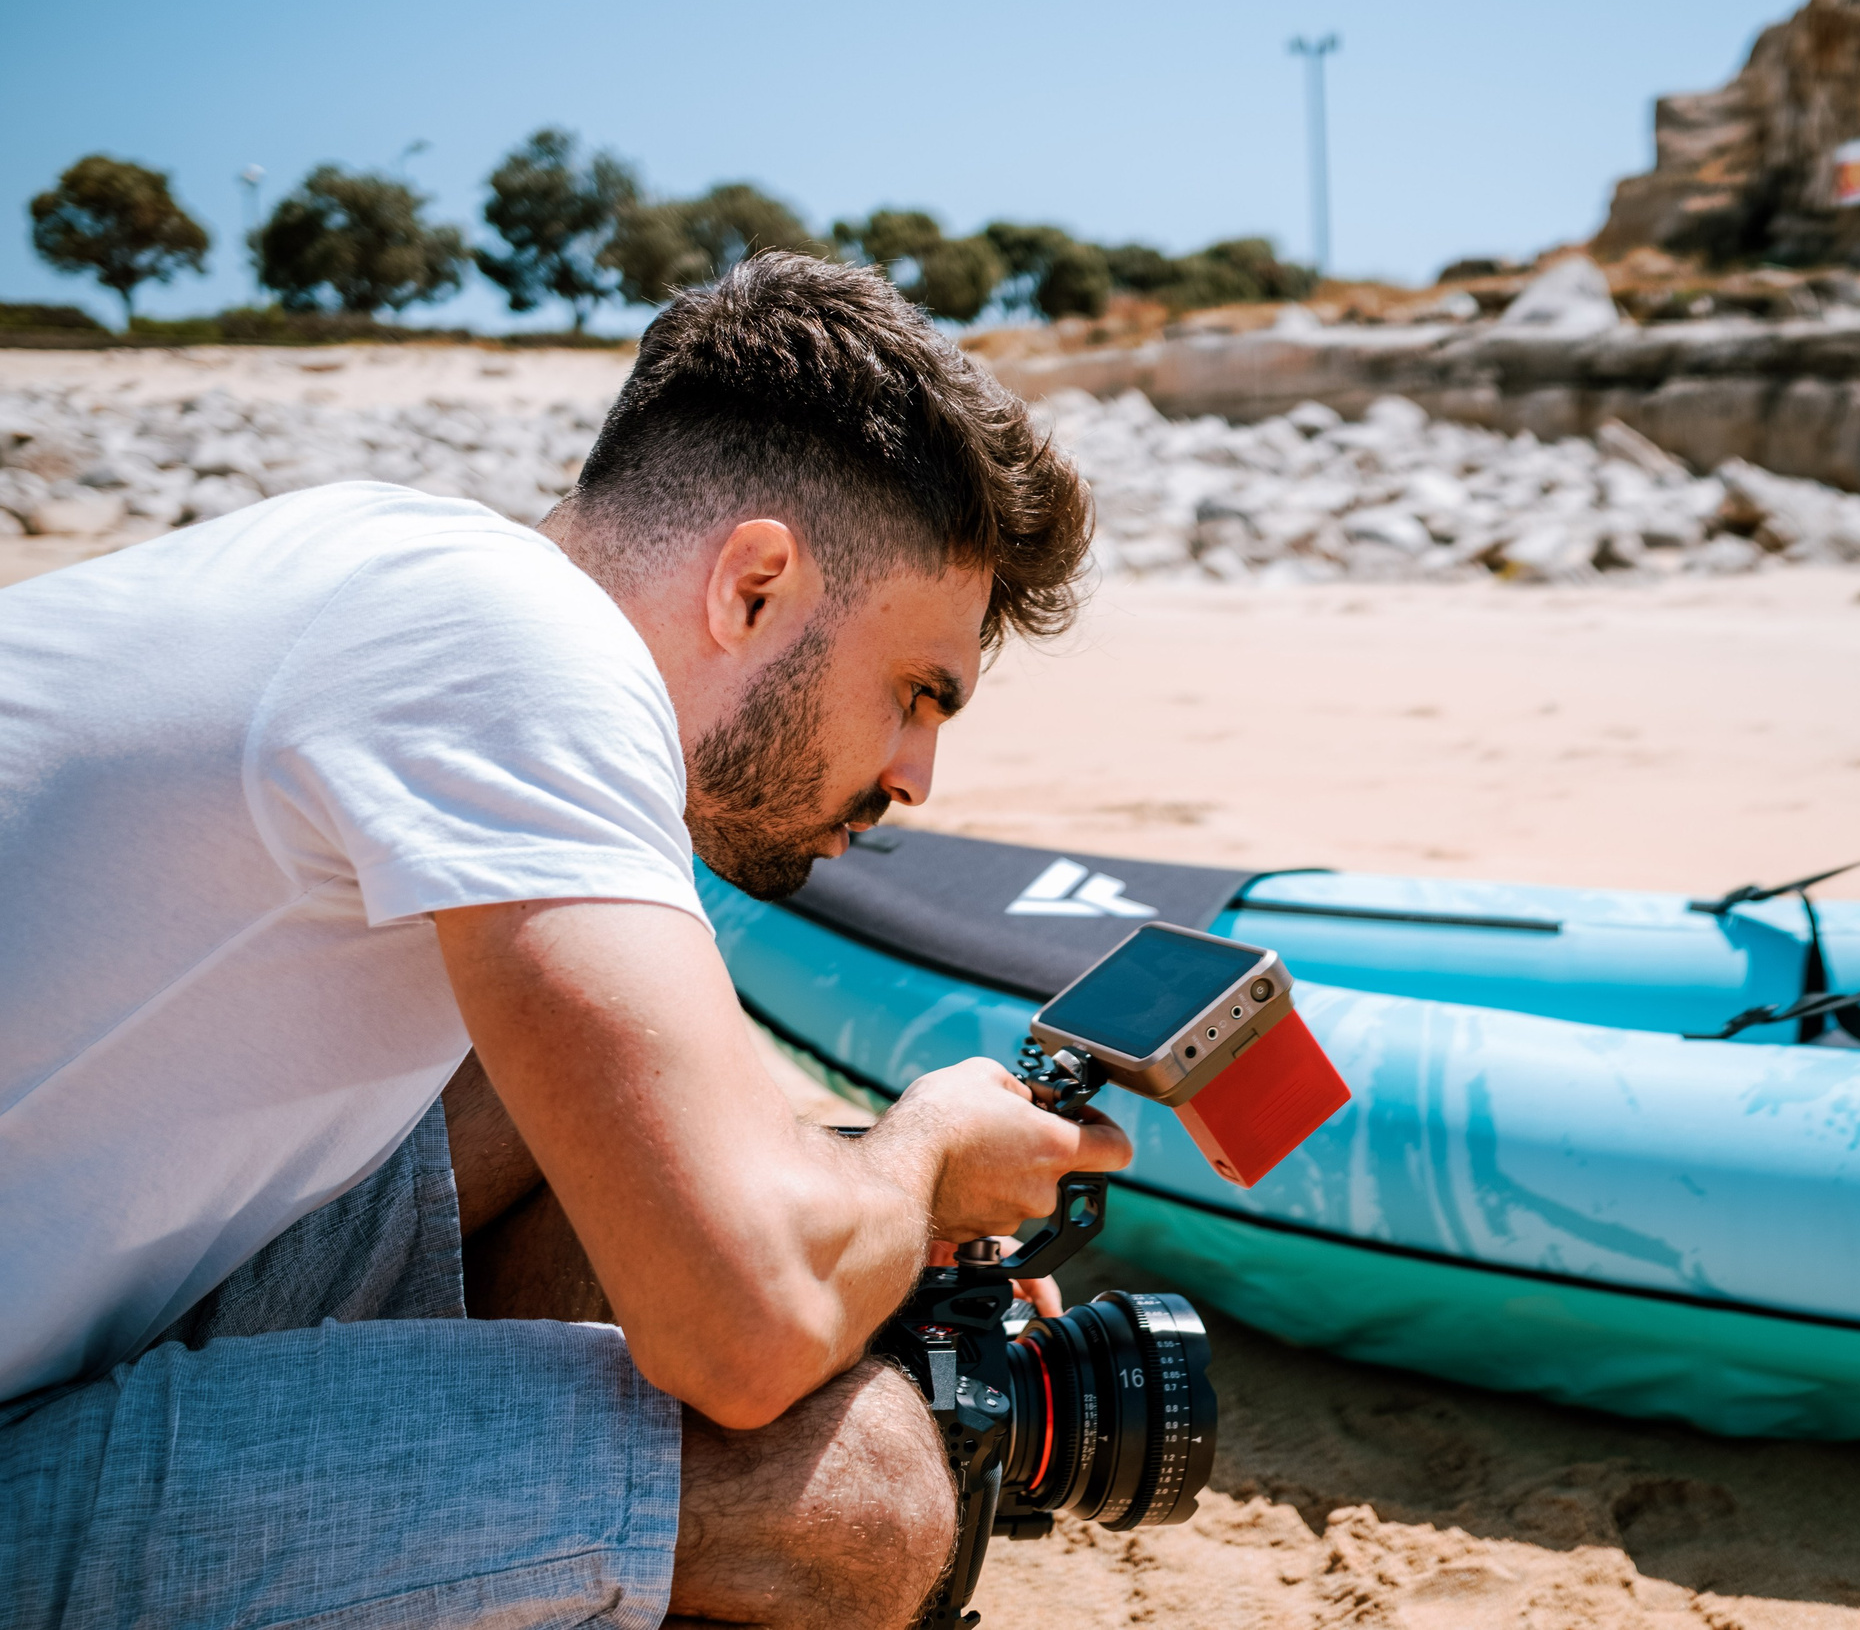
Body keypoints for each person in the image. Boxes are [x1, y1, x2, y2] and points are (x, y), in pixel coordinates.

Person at [0, 251, 1127, 1630]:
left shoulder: (388, 559)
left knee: (587, 1108)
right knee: (860, 1499)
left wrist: (854, 1211)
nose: (917, 778)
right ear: (754, 587)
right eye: (915, 692)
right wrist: (918, 1159)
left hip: (63, 1289)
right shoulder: (522, 653)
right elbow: (746, 1329)